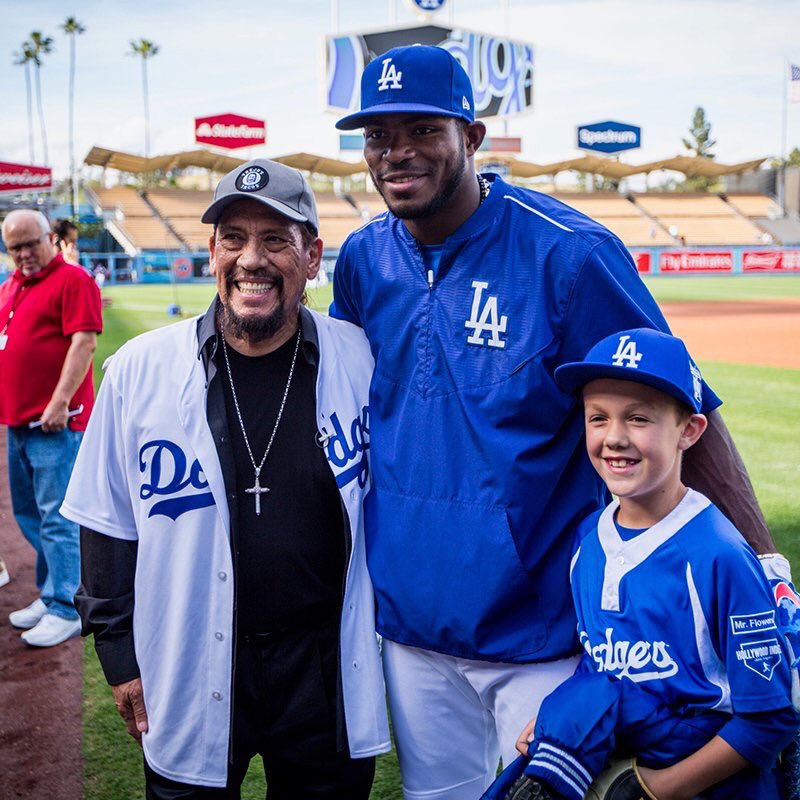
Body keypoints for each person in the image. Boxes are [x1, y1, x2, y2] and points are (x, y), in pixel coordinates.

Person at [331, 45, 784, 799]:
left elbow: (684, 404)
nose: (395, 152)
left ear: (472, 136)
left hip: (546, 629)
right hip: (411, 626)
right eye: (378, 135)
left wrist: (765, 568)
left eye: (422, 130)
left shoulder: (569, 252)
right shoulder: (362, 259)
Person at [61, 159, 390, 798]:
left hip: (323, 663)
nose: (251, 259)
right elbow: (106, 523)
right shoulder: (138, 369)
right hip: (190, 653)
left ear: (312, 257)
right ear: (211, 251)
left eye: (275, 240)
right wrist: (119, 656)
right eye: (233, 238)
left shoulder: (360, 358)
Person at [482, 328, 799, 800]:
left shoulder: (719, 555)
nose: (614, 438)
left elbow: (769, 719)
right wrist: (555, 724)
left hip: (709, 780)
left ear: (689, 430)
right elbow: (603, 667)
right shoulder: (589, 539)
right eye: (598, 417)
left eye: (638, 418)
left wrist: (656, 788)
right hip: (629, 751)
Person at [0, 209, 102, 647]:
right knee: (31, 515)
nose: (24, 253)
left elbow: (84, 342)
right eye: (15, 247)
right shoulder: (12, 285)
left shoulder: (73, 280)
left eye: (30, 244)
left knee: (59, 518)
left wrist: (60, 402)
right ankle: (51, 593)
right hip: (19, 422)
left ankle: (68, 607)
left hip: (55, 423)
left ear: (49, 239)